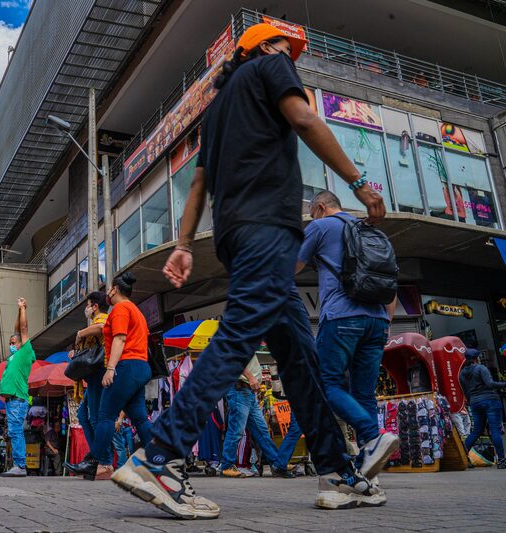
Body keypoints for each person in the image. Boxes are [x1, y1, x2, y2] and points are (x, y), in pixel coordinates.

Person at [112, 23, 388, 518]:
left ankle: (338, 470)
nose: (292, 59)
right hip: (267, 228)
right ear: (262, 48)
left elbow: (198, 185)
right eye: (288, 49)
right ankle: (159, 455)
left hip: (237, 235)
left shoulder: (216, 112)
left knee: (299, 358)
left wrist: (182, 244)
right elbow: (304, 119)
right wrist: (359, 182)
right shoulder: (269, 65)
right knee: (239, 333)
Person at [296, 190, 400, 499]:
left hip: (342, 317)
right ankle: (370, 472)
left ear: (321, 207)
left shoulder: (321, 226)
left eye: (313, 213)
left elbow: (292, 268)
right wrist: (385, 325)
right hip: (379, 320)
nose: (312, 218)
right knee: (363, 394)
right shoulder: (371, 231)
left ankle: (373, 436)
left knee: (326, 384)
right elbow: (390, 284)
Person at [82, 272, 153, 480]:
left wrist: (110, 368)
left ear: (115, 290)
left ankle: (93, 461)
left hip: (126, 366)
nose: (108, 293)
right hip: (140, 367)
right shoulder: (136, 311)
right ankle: (161, 457)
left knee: (105, 416)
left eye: (109, 289)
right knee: (140, 418)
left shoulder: (121, 308)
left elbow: (120, 339)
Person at [220, 355, 293, 478]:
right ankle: (226, 466)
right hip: (240, 389)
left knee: (261, 430)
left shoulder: (247, 338)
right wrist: (251, 377)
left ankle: (277, 463)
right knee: (236, 431)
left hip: (248, 393)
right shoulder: (240, 337)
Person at [64, 291, 109, 473]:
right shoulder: (95, 322)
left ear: (95, 306)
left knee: (96, 418)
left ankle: (103, 462)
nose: (87, 308)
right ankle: (95, 459)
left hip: (100, 372)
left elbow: (102, 328)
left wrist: (80, 333)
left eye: (88, 305)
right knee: (84, 416)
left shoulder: (103, 318)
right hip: (93, 375)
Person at [0, 297, 35, 477]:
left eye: (14, 343)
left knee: (15, 431)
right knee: (14, 431)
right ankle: (19, 465)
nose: (12, 345)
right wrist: (18, 310)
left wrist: (23, 308)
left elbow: (22, 329)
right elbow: (16, 329)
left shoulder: (25, 352)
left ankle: (20, 466)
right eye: (10, 343)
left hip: (17, 399)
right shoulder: (14, 357)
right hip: (12, 400)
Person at [459, 348, 506, 469]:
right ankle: (501, 460)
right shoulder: (481, 368)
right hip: (490, 400)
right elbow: (490, 384)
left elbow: (466, 392)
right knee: (495, 429)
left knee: (477, 431)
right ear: (476, 358)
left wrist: (472, 400)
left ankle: (463, 456)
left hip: (475, 403)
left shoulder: (462, 373)